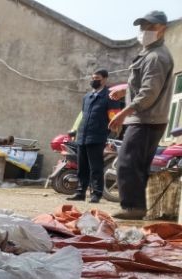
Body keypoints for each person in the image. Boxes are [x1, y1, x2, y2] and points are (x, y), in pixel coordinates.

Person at [108, 10, 175, 220]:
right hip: (146, 118)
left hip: (147, 119)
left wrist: (123, 113)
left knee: (127, 163)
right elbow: (143, 84)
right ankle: (135, 207)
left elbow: (148, 93)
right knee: (134, 164)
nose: (145, 31)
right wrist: (125, 90)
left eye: (151, 27)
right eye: (143, 26)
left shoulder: (156, 57)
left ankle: (134, 208)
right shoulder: (149, 55)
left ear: (162, 28)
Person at [68, 69, 122, 203]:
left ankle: (96, 194)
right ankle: (80, 192)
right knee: (82, 167)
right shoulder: (87, 97)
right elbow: (83, 116)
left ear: (104, 79)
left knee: (96, 168)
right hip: (82, 136)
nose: (93, 80)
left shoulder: (110, 96)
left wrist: (111, 134)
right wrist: (75, 131)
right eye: (92, 78)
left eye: (96, 78)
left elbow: (114, 119)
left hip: (97, 137)